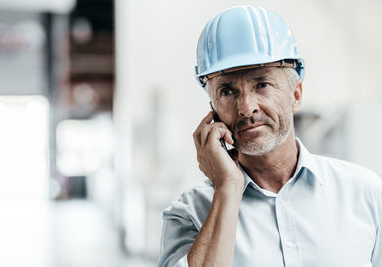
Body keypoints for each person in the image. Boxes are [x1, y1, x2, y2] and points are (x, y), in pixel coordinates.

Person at [158, 6, 382, 267]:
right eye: (228, 91)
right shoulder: (188, 213)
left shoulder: (364, 192)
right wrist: (227, 189)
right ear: (213, 109)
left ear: (296, 95)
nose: (246, 108)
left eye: (262, 84)